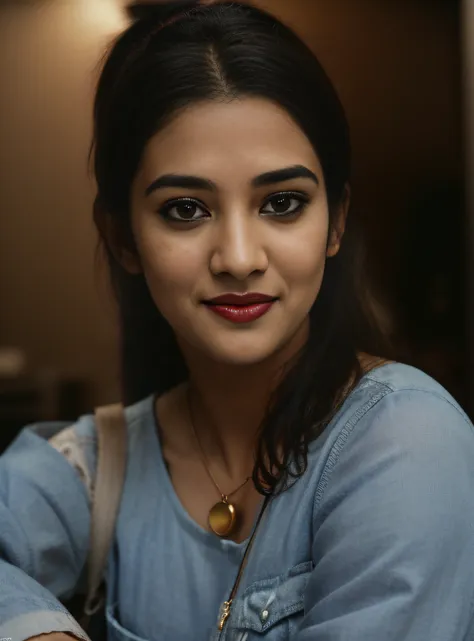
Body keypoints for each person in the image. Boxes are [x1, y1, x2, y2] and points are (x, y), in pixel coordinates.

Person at [1, 2, 474, 640]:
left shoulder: (406, 440)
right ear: (122, 239)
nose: (240, 259)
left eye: (282, 203)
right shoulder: (94, 465)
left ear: (334, 222)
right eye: (186, 209)